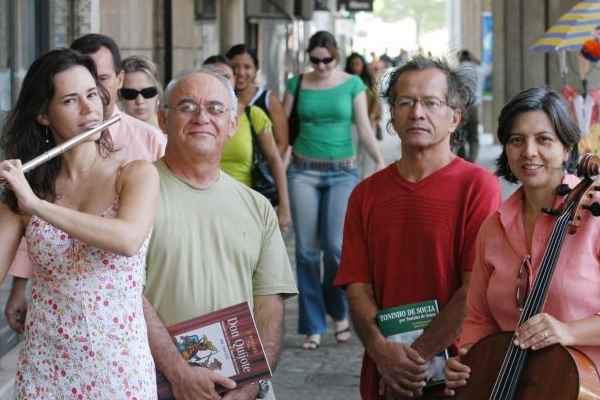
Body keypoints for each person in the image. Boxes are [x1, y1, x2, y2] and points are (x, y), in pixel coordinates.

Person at [334, 56, 501, 399]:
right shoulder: (366, 194)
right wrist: (382, 352)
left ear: (455, 117)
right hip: (384, 371)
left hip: (454, 374)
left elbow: (474, 288)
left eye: (431, 102)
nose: (417, 113)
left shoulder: (477, 187)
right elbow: (357, 286)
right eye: (405, 102)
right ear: (392, 116)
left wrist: (413, 360)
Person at [0, 48, 159, 399]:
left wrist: (38, 207)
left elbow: (127, 238)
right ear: (44, 114)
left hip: (118, 371)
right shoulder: (29, 186)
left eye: (92, 95)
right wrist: (22, 199)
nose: (89, 110)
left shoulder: (134, 174)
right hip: (45, 371)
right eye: (71, 100)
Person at [141, 69, 298, 400]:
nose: (202, 117)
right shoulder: (136, 195)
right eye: (187, 106)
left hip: (241, 387)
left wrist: (254, 383)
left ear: (233, 123)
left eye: (215, 108)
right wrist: (179, 372)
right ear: (162, 119)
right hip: (157, 384)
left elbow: (270, 305)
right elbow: (125, 294)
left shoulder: (257, 207)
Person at [444, 87, 600, 396]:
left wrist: (568, 331)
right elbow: (478, 319)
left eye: (544, 139)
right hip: (513, 385)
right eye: (517, 140)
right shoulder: (493, 227)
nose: (528, 152)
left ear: (566, 149)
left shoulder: (595, 218)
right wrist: (469, 360)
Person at [282, 30, 385, 350]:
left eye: (327, 59)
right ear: (309, 58)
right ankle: (313, 323)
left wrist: (380, 161)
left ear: (336, 56)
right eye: (315, 60)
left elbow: (364, 127)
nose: (322, 65)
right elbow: (284, 130)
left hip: (342, 172)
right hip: (303, 171)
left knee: (336, 249)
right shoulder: (296, 84)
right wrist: (278, 170)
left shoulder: (353, 85)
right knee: (306, 252)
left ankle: (339, 311)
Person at [202, 55, 291, 231]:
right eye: (212, 76)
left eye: (225, 76)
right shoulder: (192, 118)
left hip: (245, 204)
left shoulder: (253, 114)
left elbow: (274, 160)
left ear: (234, 80)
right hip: (202, 204)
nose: (219, 82)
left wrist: (284, 205)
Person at [226, 44, 289, 156]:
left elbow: (282, 143)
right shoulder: (221, 98)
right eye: (234, 66)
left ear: (256, 70)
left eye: (247, 67)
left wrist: (264, 169)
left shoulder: (269, 100)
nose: (240, 72)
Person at [345, 52, 383, 177]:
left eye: (358, 64)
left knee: (367, 158)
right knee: (352, 158)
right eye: (353, 64)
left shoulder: (369, 82)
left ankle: (363, 183)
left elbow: (377, 101)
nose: (355, 67)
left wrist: (375, 119)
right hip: (351, 125)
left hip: (368, 124)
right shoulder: (345, 82)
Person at [120, 55, 163, 129]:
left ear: (157, 92)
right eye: (131, 94)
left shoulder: (173, 131)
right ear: (120, 95)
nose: (140, 101)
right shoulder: (110, 135)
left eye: (148, 92)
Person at [454, 49, 481, 162]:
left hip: (461, 107)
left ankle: (462, 160)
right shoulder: (477, 70)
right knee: (473, 136)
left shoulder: (457, 71)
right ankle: (472, 160)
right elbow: (487, 67)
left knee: (460, 134)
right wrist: (475, 59)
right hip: (473, 107)